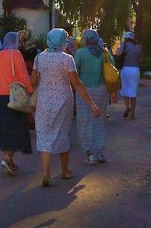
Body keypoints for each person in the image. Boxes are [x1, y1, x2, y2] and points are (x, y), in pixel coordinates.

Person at [31, 28, 102, 185]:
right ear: (62, 41)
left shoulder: (39, 58)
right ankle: (64, 171)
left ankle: (46, 173)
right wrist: (92, 105)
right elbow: (76, 83)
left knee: (44, 135)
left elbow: (33, 82)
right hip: (63, 101)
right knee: (62, 133)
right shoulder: (67, 59)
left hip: (44, 101)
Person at [0, 31, 33, 175]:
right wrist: (31, 92)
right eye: (18, 41)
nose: (20, 44)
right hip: (14, 96)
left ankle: (10, 161)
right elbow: (23, 76)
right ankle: (6, 158)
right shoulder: (16, 55)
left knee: (5, 128)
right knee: (17, 128)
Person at [72, 30, 112, 164]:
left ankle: (89, 152)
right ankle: (100, 151)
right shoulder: (104, 53)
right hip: (101, 90)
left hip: (84, 91)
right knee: (100, 120)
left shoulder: (80, 53)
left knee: (84, 120)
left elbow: (74, 72)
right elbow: (111, 70)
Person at [115, 31, 143, 119]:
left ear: (126, 38)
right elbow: (141, 60)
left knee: (125, 89)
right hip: (135, 70)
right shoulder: (139, 46)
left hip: (125, 69)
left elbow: (118, 53)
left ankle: (127, 107)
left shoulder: (124, 44)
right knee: (133, 92)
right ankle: (132, 114)